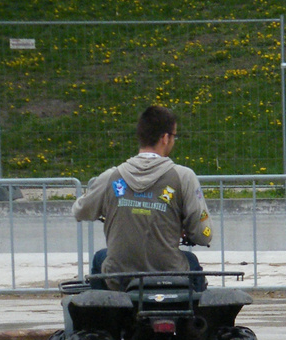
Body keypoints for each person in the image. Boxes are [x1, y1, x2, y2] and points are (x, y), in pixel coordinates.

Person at [73, 105, 214, 290]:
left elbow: (79, 211)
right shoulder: (183, 177)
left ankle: (104, 315)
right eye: (174, 137)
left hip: (120, 277)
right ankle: (196, 318)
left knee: (100, 259)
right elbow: (204, 235)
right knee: (191, 262)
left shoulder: (111, 177)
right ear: (165, 138)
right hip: (170, 272)